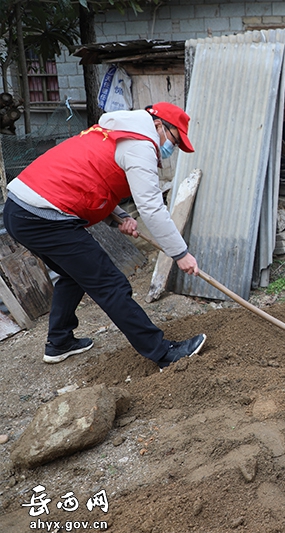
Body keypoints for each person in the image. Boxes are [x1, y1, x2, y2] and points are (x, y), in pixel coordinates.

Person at [3, 102, 207, 369]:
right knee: (111, 285)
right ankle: (163, 353)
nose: (171, 148)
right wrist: (180, 254)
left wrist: (119, 216)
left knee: (72, 274)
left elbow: (91, 180)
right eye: (173, 140)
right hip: (44, 217)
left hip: (20, 210)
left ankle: (59, 342)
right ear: (159, 125)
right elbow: (152, 209)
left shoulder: (113, 131)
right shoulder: (140, 144)